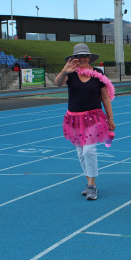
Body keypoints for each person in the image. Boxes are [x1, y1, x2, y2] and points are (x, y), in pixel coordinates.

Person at [55, 43, 116, 200]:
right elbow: (57, 83)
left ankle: (92, 185)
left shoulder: (97, 74)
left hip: (93, 118)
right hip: (74, 119)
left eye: (84, 56)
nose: (81, 59)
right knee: (81, 152)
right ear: (73, 58)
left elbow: (105, 97)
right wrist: (64, 71)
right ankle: (89, 182)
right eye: (78, 56)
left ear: (89, 58)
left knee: (89, 150)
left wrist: (110, 117)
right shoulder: (70, 73)